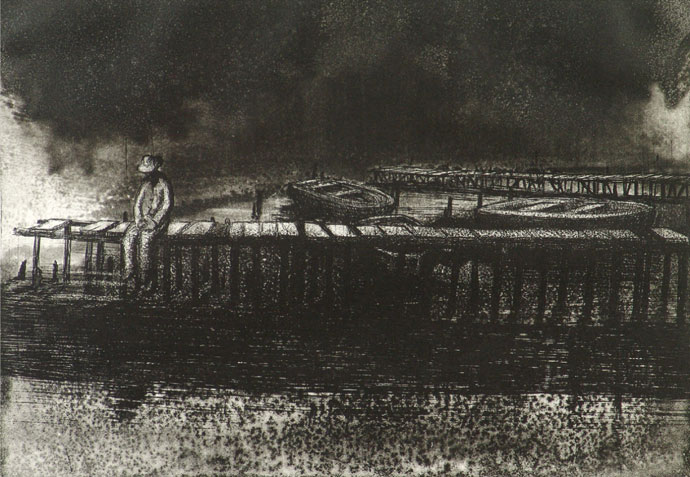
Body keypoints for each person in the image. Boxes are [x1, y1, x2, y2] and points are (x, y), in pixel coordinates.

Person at [123, 154, 174, 288]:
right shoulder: (145, 184)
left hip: (159, 222)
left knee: (145, 240)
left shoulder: (164, 183)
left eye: (150, 172)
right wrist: (139, 220)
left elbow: (167, 205)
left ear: (156, 170)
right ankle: (130, 273)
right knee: (129, 236)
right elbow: (138, 204)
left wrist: (154, 222)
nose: (148, 175)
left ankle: (147, 279)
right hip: (143, 220)